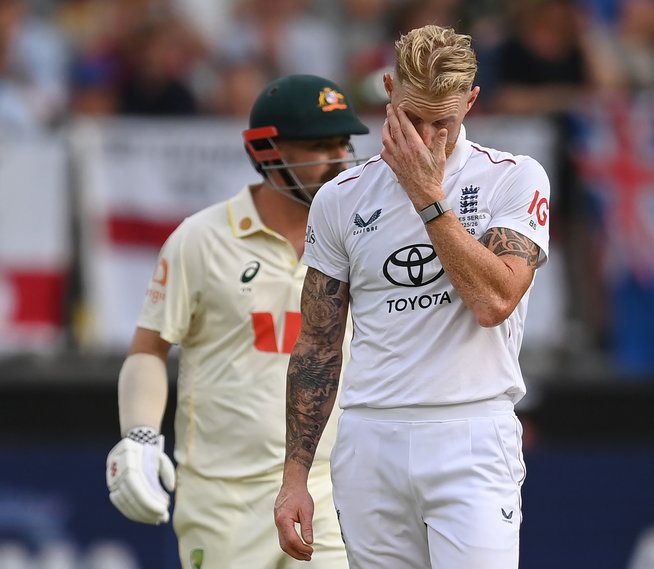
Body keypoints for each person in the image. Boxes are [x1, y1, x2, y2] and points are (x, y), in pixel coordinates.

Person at [274, 25, 551, 569]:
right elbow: (318, 344)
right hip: (369, 437)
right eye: (411, 117)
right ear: (388, 90)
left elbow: (494, 302)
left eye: (442, 122)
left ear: (470, 101)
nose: (425, 137)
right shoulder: (339, 198)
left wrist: (428, 199)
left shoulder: (514, 178)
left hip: (470, 433)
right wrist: (295, 476)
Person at [104, 73, 369, 569]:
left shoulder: (362, 237)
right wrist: (139, 435)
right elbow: (149, 348)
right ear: (267, 151)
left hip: (328, 488)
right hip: (221, 499)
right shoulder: (201, 238)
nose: (339, 160)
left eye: (344, 143)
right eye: (319, 146)